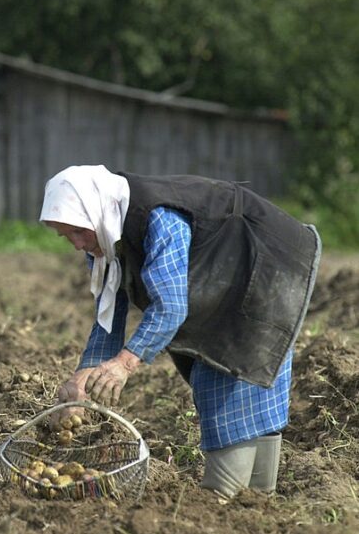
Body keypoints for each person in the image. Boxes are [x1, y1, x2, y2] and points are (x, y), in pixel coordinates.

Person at [40, 165, 321, 498]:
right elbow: (108, 316)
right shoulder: (104, 238)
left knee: (226, 375)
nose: (77, 244)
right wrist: (82, 379)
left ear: (95, 211)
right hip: (221, 281)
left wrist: (125, 363)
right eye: (67, 236)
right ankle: (257, 501)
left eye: (78, 231)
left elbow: (170, 307)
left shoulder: (159, 219)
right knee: (224, 377)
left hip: (261, 266)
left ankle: (225, 497)